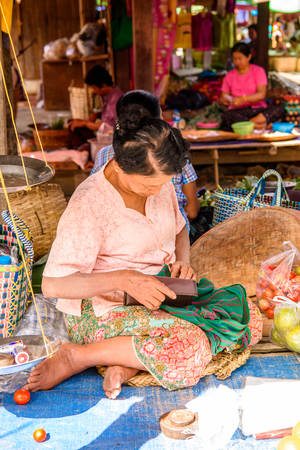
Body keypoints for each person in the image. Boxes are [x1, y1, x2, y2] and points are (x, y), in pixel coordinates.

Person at [24, 106, 262, 399]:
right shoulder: (89, 203)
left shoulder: (158, 182)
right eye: (150, 184)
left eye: (163, 183)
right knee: (191, 347)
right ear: (121, 166)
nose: (158, 190)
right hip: (102, 310)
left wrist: (182, 263)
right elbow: (52, 284)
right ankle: (78, 356)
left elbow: (179, 230)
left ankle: (127, 365)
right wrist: (123, 279)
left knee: (248, 315)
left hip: (163, 290)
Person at [90, 90, 200, 232]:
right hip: (171, 234)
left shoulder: (104, 155)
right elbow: (191, 211)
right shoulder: (175, 153)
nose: (156, 191)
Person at [220, 42, 285, 131]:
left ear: (249, 57)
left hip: (258, 110)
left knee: (278, 110)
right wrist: (226, 100)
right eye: (235, 59)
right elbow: (223, 97)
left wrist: (243, 99)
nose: (237, 62)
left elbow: (261, 94)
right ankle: (258, 125)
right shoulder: (229, 75)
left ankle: (249, 124)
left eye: (240, 58)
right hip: (238, 111)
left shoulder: (258, 71)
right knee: (226, 116)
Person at [68, 65, 123, 149]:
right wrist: (97, 114)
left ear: (103, 86)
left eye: (94, 88)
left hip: (115, 141)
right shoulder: (109, 97)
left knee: (81, 136)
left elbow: (109, 127)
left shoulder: (115, 100)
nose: (94, 91)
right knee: (73, 122)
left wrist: (84, 123)